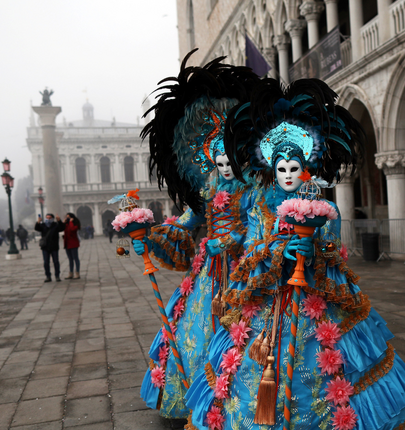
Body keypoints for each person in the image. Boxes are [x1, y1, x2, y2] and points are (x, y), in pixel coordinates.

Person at [180, 78, 405, 429]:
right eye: (280, 168)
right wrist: (276, 252)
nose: (287, 174)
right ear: (271, 168)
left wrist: (314, 249)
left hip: (316, 300)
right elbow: (252, 249)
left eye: (293, 167)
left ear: (306, 166)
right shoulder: (257, 204)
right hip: (267, 306)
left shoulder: (321, 204)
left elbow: (334, 249)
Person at [136, 52, 260, 421]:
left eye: (229, 163)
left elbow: (259, 225)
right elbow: (188, 222)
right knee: (194, 325)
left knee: (243, 331)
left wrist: (239, 242)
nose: (224, 169)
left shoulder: (250, 188)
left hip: (243, 268)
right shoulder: (207, 190)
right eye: (218, 163)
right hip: (209, 271)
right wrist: (148, 232)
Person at [35, 213, 65, 282]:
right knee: (46, 262)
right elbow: (37, 228)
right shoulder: (43, 225)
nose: (48, 219)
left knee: (56, 262)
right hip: (45, 247)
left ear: (52, 218)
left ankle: (57, 275)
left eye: (49, 218)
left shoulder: (55, 225)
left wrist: (59, 221)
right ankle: (48, 276)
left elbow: (62, 228)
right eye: (47, 218)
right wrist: (38, 222)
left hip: (54, 246)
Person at [63, 213, 81, 279]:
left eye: (69, 217)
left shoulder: (75, 224)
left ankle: (77, 273)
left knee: (75, 258)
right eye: (66, 217)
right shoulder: (66, 224)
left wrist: (70, 222)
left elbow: (72, 229)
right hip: (67, 244)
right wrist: (63, 222)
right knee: (70, 259)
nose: (67, 218)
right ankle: (70, 273)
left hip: (73, 244)